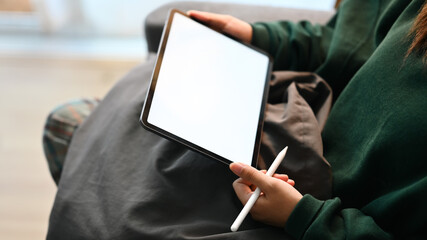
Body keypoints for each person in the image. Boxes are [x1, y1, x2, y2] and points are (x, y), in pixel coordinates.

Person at [43, 0, 426, 239]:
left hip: (316, 216)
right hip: (302, 145)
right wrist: (255, 35)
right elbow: (347, 45)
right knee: (136, 103)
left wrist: (302, 216)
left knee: (78, 138)